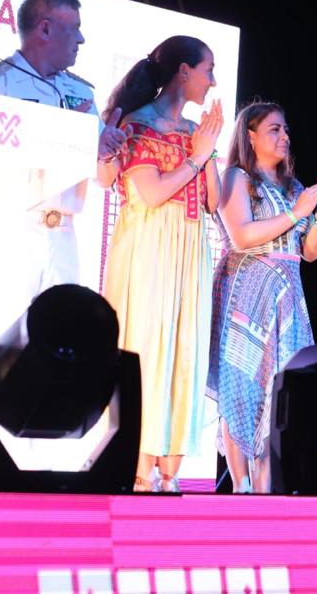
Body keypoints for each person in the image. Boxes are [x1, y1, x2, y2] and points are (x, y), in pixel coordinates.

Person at [209, 101, 317, 493]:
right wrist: (296, 214)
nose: (284, 136)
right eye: (274, 129)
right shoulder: (237, 178)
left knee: (279, 393)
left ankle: (265, 486)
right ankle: (240, 485)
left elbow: (309, 252)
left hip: (287, 293)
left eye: (285, 129)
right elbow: (241, 235)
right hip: (248, 289)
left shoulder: (293, 188)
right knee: (242, 385)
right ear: (250, 136)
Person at [100, 35, 223, 492]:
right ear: (184, 71)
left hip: (190, 249)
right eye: (208, 70)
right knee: (150, 347)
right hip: (150, 246)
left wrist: (207, 149)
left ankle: (169, 472)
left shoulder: (194, 131)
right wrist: (196, 157)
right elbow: (151, 194)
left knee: (185, 349)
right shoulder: (138, 123)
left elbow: (213, 202)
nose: (213, 81)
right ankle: (138, 467)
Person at [0, 0, 125, 348]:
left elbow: (103, 178)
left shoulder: (81, 93)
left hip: (64, 234)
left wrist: (106, 150)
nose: (81, 39)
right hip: (14, 229)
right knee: (4, 340)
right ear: (44, 29)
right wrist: (69, 137)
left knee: (62, 340)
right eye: (74, 28)